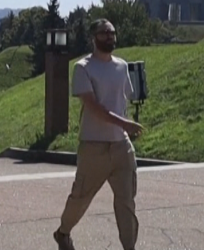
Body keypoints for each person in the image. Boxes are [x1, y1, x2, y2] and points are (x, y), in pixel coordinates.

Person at [54, 19, 144, 250]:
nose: (109, 37)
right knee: (80, 198)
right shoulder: (83, 67)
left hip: (121, 147)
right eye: (104, 33)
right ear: (93, 37)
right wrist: (124, 123)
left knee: (126, 202)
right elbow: (93, 107)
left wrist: (125, 128)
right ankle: (63, 233)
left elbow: (122, 101)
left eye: (112, 33)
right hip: (94, 147)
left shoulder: (122, 66)